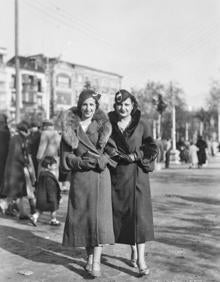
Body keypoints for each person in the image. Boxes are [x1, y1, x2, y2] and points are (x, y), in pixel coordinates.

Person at [60, 89, 114, 278]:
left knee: (98, 220)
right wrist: (81, 162)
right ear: (79, 105)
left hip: (100, 177)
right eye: (85, 104)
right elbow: (66, 157)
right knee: (85, 220)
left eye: (92, 104)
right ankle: (89, 259)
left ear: (96, 106)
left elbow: (112, 149)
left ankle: (96, 262)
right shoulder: (70, 127)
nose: (88, 108)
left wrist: (104, 159)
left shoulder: (103, 125)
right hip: (81, 178)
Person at [107, 89, 158, 277]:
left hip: (138, 176)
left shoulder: (142, 124)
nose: (123, 108)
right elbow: (103, 146)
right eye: (120, 104)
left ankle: (141, 260)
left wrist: (136, 155)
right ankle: (133, 250)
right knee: (126, 217)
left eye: (127, 104)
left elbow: (152, 147)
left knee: (140, 218)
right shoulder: (108, 125)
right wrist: (114, 154)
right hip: (118, 177)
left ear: (133, 106)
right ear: (115, 105)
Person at [1, 121, 36, 218]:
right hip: (17, 169)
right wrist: (26, 163)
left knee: (19, 192)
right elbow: (20, 155)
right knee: (18, 191)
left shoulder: (16, 138)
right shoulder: (19, 139)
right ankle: (3, 205)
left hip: (13, 168)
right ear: (24, 130)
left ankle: (22, 213)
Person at [30, 156, 61, 226]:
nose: (56, 167)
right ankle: (53, 219)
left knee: (40, 210)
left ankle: (34, 216)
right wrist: (53, 198)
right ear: (49, 166)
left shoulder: (42, 174)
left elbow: (37, 185)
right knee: (54, 209)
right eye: (54, 165)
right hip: (50, 197)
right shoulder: (49, 177)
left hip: (41, 197)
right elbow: (51, 188)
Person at [0, 114, 10, 199]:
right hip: (4, 155)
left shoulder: (5, 131)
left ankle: (2, 191)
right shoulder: (7, 130)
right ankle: (3, 191)